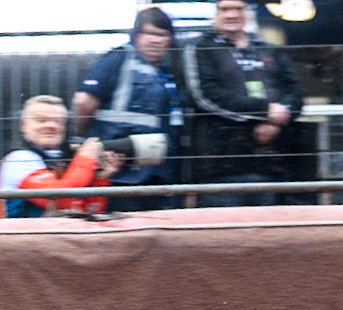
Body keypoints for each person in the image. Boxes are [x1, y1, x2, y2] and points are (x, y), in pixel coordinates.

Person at [180, 0, 305, 207]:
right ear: (214, 14)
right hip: (220, 170)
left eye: (238, 9)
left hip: (270, 166)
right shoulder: (201, 47)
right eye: (225, 9)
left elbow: (296, 93)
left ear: (248, 13)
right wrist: (265, 111)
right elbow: (205, 96)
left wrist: (277, 120)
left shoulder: (267, 49)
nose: (232, 15)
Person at [72, 6, 183, 211]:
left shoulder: (167, 73)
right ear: (136, 35)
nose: (155, 40)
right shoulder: (118, 59)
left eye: (162, 35)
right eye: (149, 33)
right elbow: (83, 102)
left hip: (157, 177)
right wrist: (89, 140)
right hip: (120, 176)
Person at [0, 96, 121, 218]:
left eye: (58, 121)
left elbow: (88, 211)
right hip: (23, 236)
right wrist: (86, 158)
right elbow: (59, 200)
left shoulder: (66, 159)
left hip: (58, 235)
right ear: (23, 124)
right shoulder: (19, 159)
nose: (51, 125)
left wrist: (100, 179)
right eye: (41, 120)